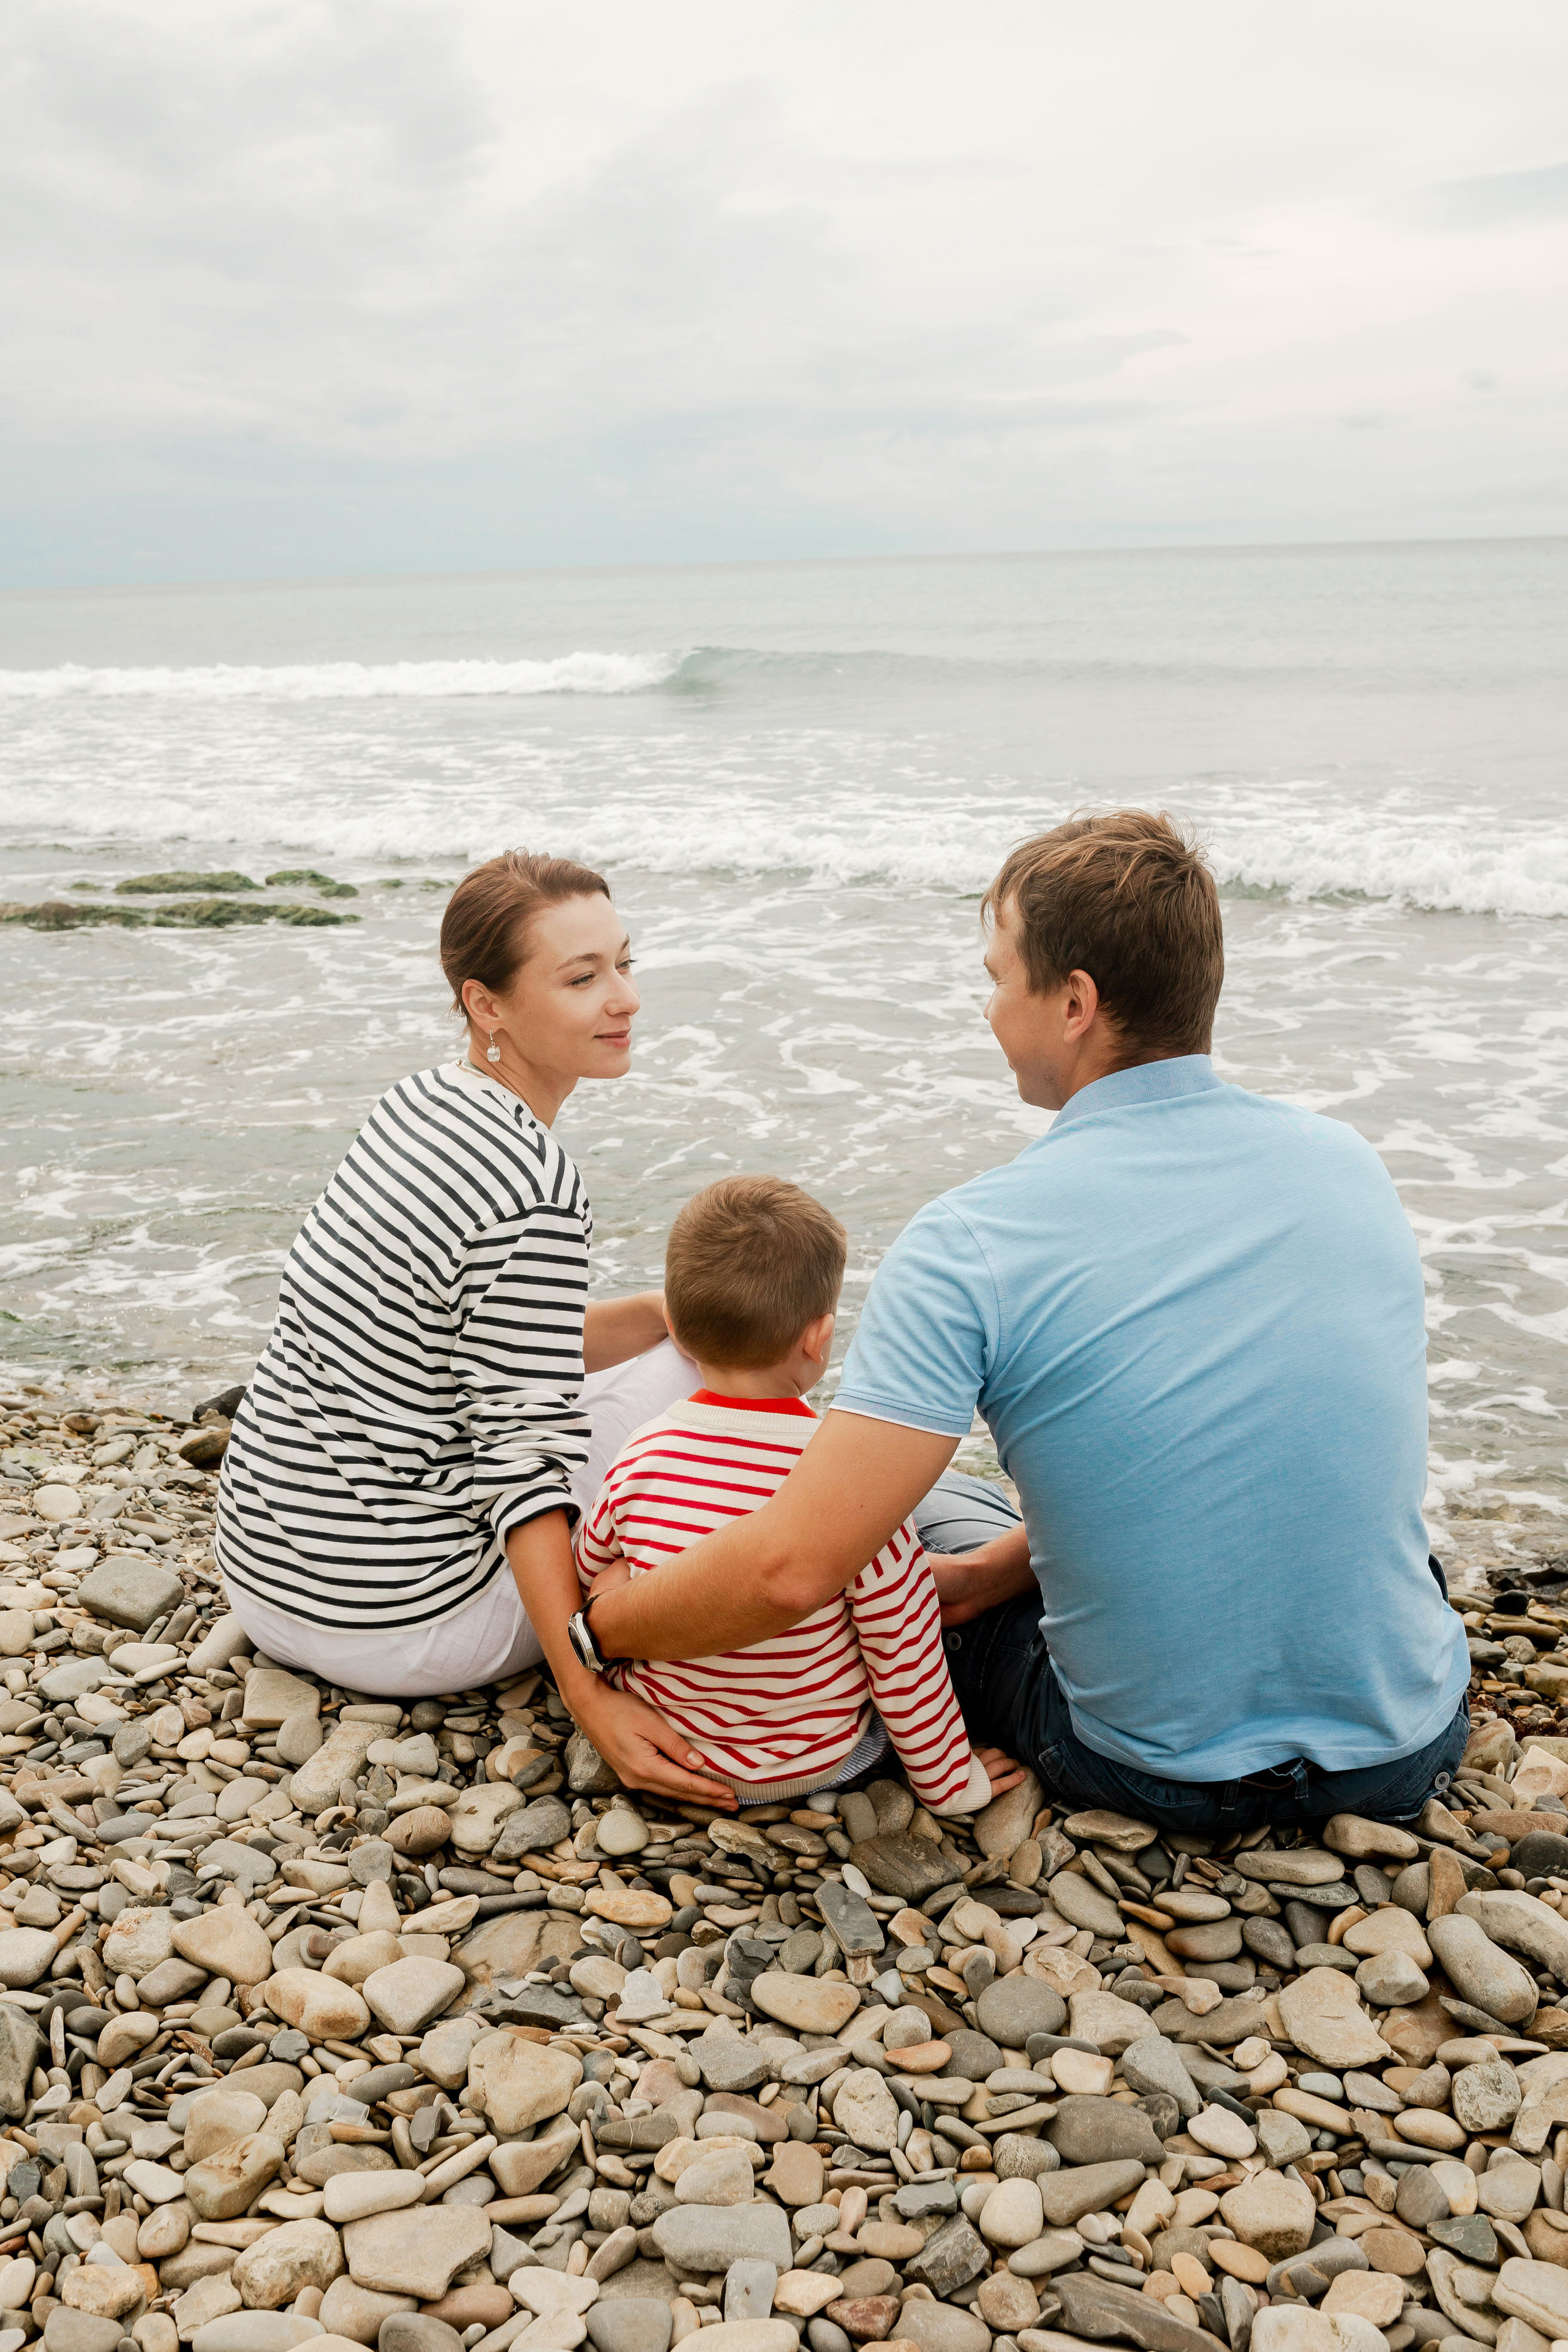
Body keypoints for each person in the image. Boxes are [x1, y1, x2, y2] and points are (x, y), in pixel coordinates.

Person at [575, 812, 1471, 1833]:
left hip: (1151, 1772)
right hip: (1404, 1747)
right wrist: (1014, 1566)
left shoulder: (973, 1241)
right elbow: (1266, 1431)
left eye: (1000, 978)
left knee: (908, 1518)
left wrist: (595, 1634)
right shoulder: (1348, 1162)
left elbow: (791, 1568)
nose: (990, 1010)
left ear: (1075, 1004)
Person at [214, 848, 702, 1724]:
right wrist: (589, 1697)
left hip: (265, 1575)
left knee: (684, 1336)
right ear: (488, 1003)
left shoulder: (418, 1103)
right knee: (716, 1373)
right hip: (405, 1623)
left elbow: (454, 1339)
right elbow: (524, 1459)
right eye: (583, 978)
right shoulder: (532, 1189)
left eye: (625, 964)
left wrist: (655, 1314)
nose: (625, 998)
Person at [573, 1174, 1019, 1812]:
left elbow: (590, 1565)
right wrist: (948, 1784)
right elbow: (902, 1642)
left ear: (681, 1323)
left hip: (674, 1745)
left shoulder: (641, 1450)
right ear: (820, 1337)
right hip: (815, 1761)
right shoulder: (842, 1480)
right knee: (890, 1591)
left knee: (622, 1560)